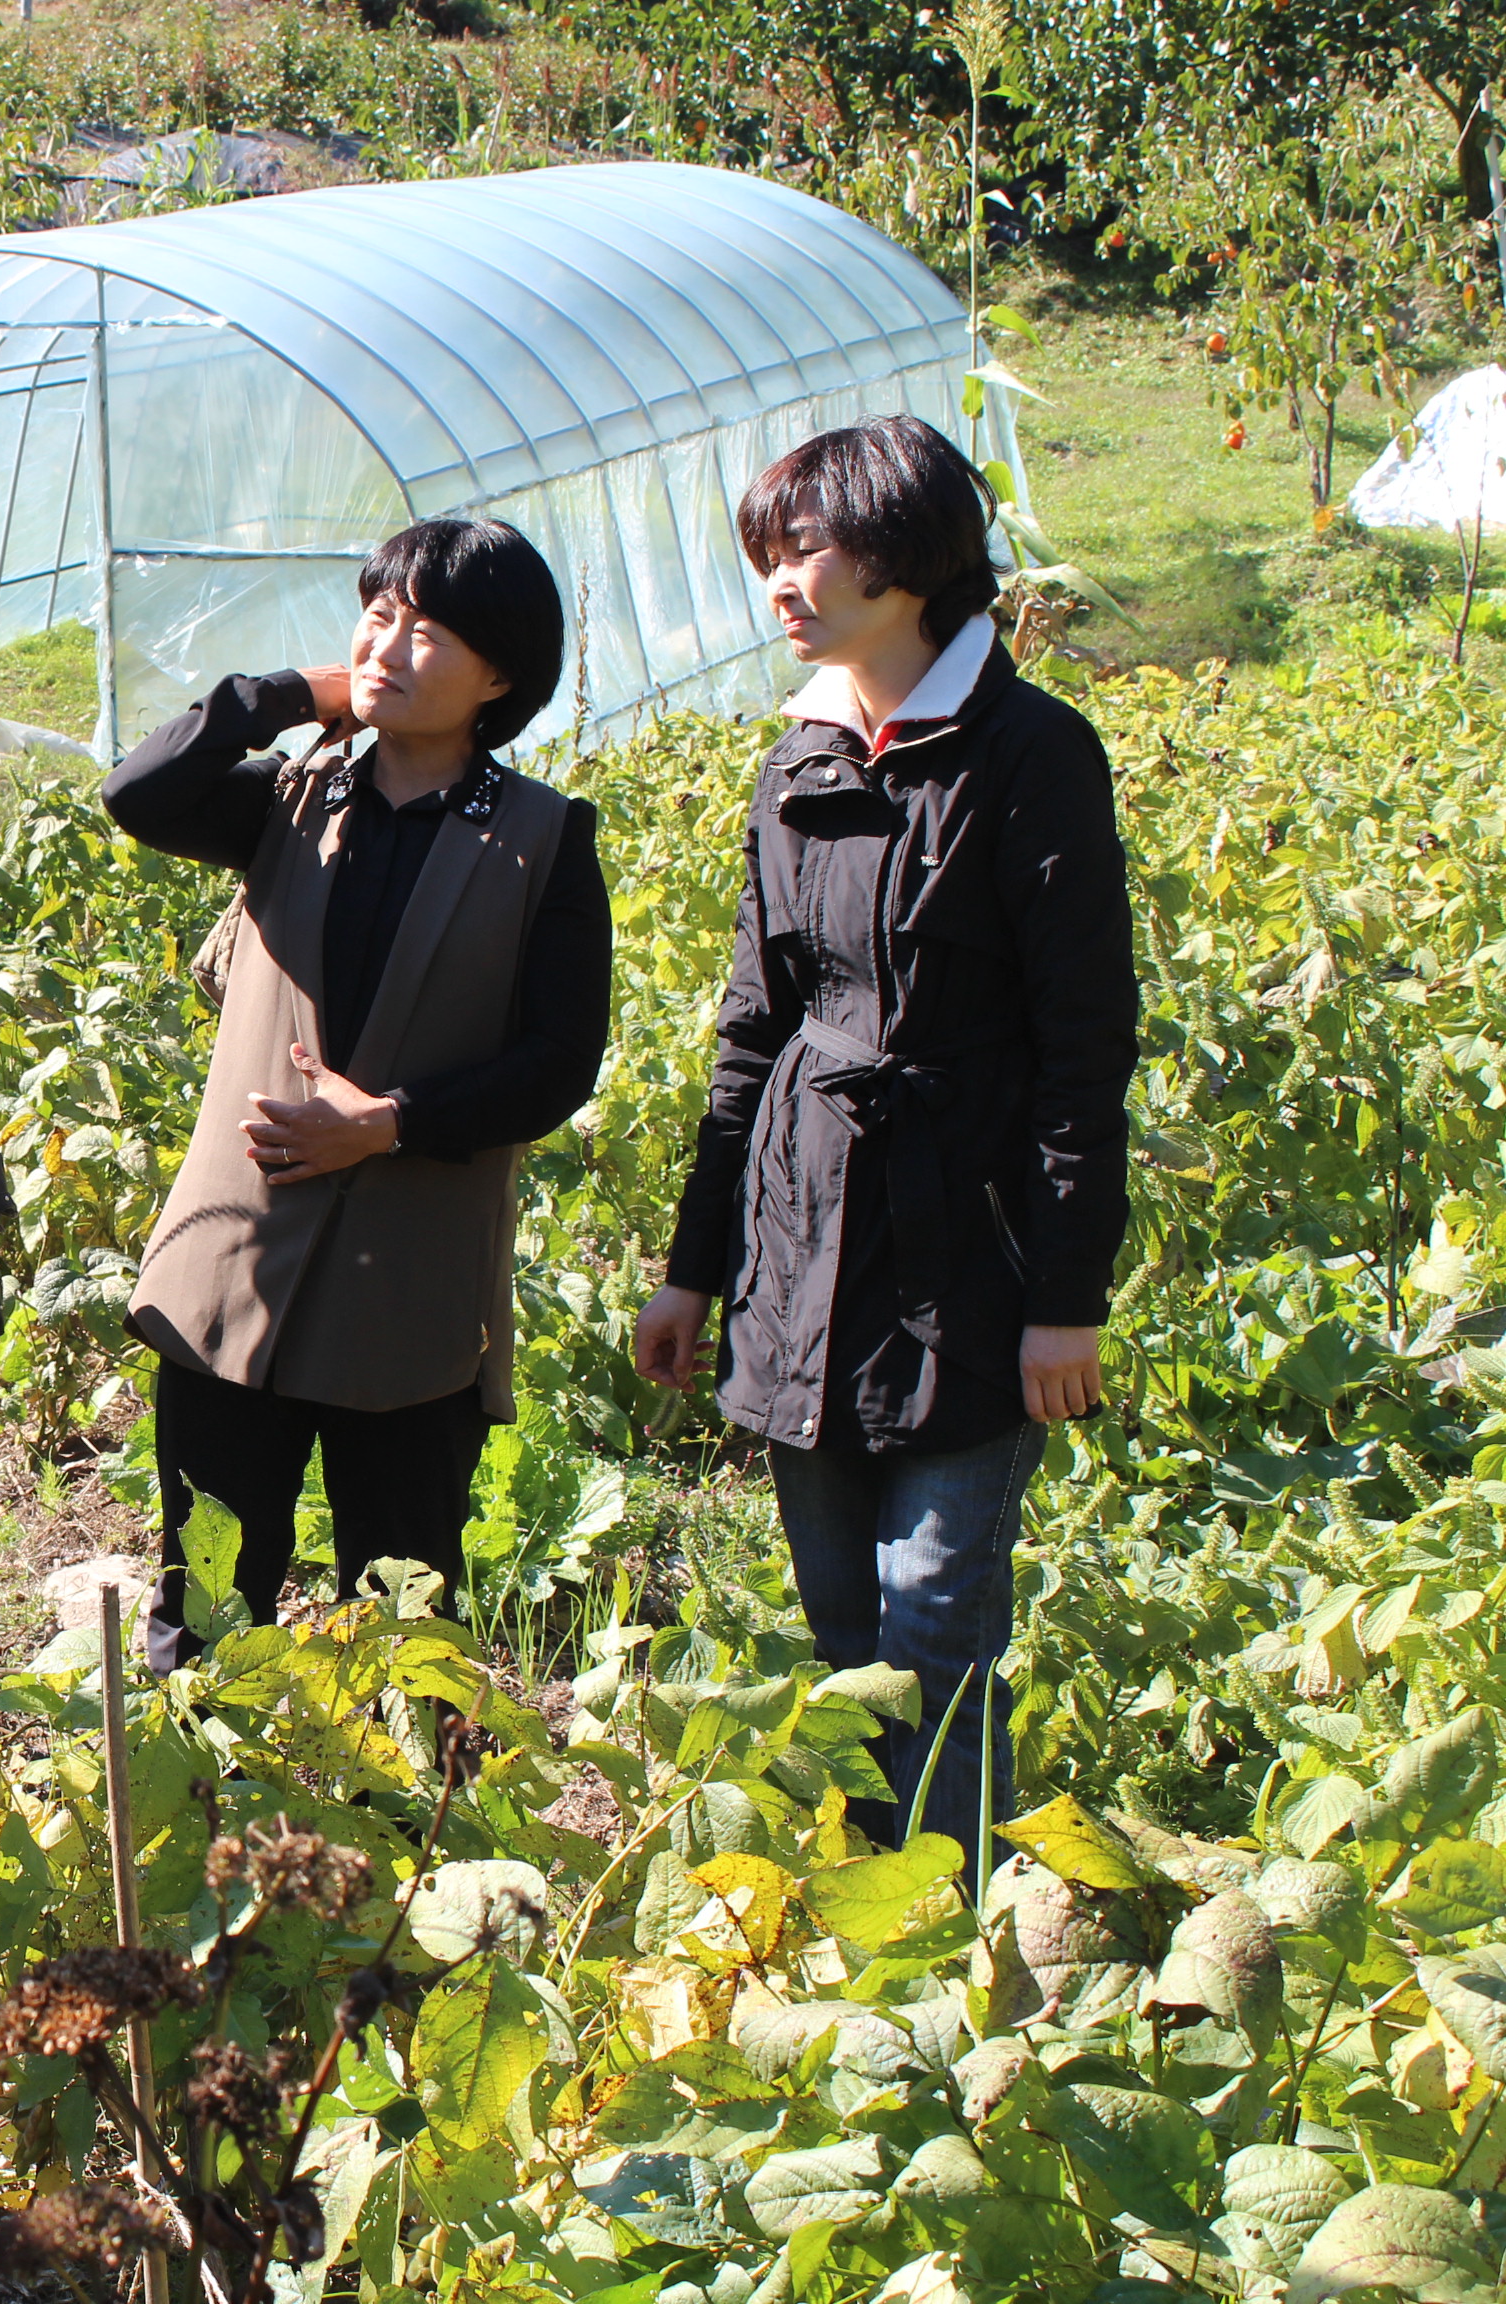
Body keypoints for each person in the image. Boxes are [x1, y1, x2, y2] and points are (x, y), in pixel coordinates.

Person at [633, 415, 1137, 1879]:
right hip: (805, 1236)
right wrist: (694, 1268)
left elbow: (1081, 1049)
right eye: (767, 557)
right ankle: (881, 1901)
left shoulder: (1032, 757)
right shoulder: (798, 761)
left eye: (807, 549)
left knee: (932, 1610)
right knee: (845, 1628)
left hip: (964, 1244)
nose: (781, 582)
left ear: (907, 559)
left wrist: (1065, 1293)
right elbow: (754, 1030)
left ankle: (952, 1913)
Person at [107, 517, 610, 1672]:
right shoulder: (289, 797)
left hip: (410, 1284)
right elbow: (135, 792)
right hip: (233, 1263)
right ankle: (202, 1823)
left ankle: (396, 1843)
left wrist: (388, 1125)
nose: (388, 646)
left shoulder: (541, 841)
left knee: (403, 1611)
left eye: (428, 632)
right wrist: (286, 692)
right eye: (377, 616)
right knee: (208, 1600)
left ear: (501, 676)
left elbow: (558, 1060)